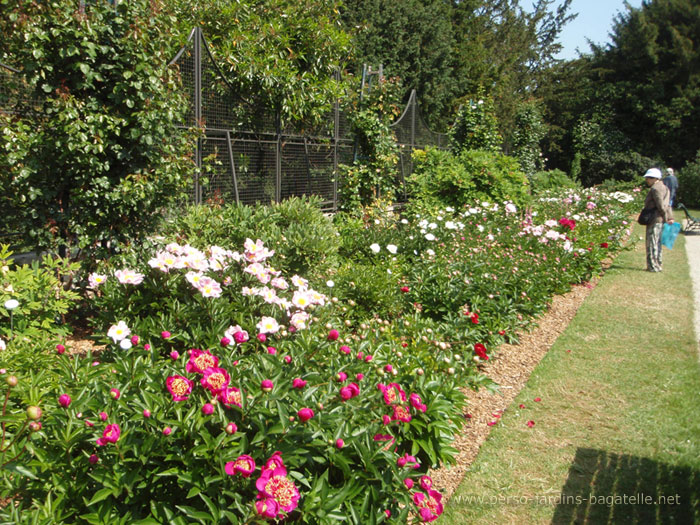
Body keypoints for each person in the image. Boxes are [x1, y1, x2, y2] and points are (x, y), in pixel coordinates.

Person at [641, 168, 674, 272]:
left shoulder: (656, 188)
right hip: (659, 219)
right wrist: (669, 217)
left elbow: (661, 205)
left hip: (654, 218)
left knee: (652, 243)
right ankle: (658, 264)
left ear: (654, 178)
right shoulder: (665, 187)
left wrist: (665, 216)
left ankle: (652, 266)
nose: (647, 180)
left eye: (648, 178)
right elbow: (668, 205)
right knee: (657, 242)